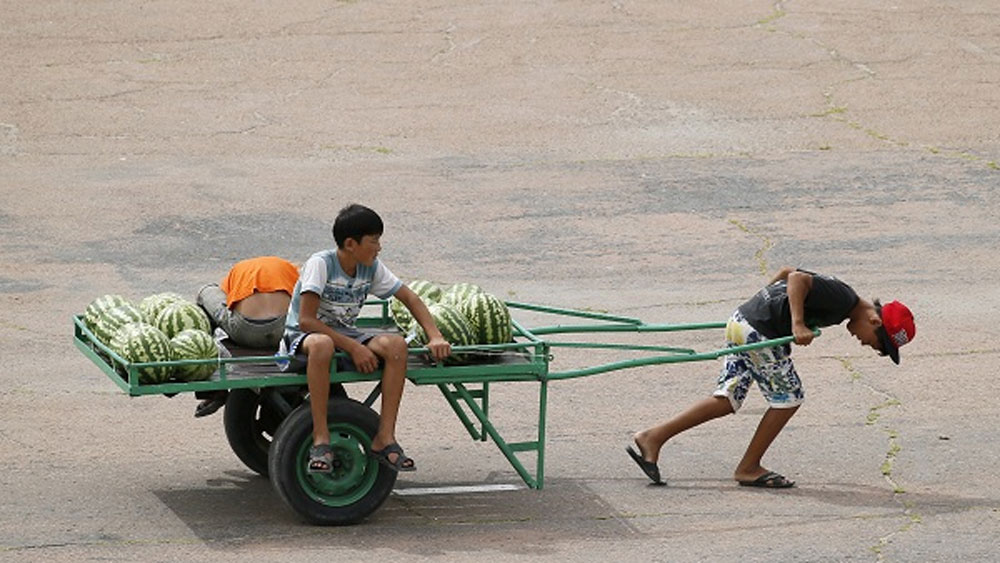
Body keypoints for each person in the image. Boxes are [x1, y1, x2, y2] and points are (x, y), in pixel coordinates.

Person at [626, 267, 915, 488]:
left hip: (742, 321)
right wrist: (796, 323)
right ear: (875, 321)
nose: (866, 345)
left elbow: (786, 272)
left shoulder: (843, 301)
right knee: (789, 399)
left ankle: (653, 438)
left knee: (727, 399)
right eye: (877, 345)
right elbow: (798, 278)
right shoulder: (844, 298)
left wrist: (760, 304)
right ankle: (749, 468)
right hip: (759, 332)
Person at [279, 204, 452, 475]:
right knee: (323, 344)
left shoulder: (369, 267)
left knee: (396, 346)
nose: (379, 247)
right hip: (304, 336)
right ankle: (321, 439)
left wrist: (435, 335)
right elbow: (307, 321)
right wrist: (354, 348)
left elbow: (409, 297)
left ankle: (385, 438)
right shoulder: (320, 264)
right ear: (351, 244)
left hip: (345, 333)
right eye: (374, 241)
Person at [192, 256, 300, 417]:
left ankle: (214, 390)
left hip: (244, 331)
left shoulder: (239, 270)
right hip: (283, 330)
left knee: (205, 291)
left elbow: (228, 301)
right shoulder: (291, 271)